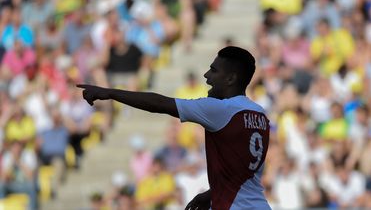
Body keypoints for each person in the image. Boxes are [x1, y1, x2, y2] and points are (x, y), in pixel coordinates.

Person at [77, 46, 271, 210]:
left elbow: (160, 103)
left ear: (230, 79)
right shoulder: (260, 114)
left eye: (213, 70)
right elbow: (243, 176)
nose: (206, 76)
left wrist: (109, 92)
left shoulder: (220, 110)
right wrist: (211, 195)